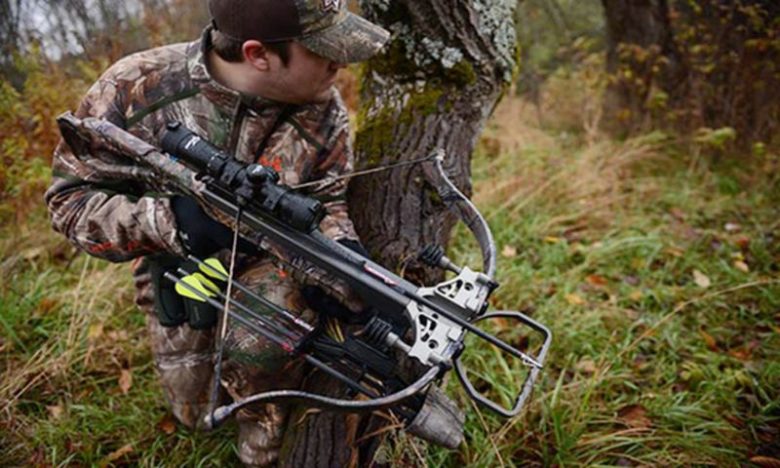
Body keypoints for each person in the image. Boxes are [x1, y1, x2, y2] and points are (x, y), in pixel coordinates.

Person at [45, 0, 389, 465]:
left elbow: (327, 202)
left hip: (270, 269)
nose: (340, 62)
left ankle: (266, 452)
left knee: (262, 348)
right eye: (322, 49)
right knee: (196, 416)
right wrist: (173, 224)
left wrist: (343, 259)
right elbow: (70, 203)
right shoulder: (135, 88)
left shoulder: (323, 109)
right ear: (258, 54)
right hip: (181, 273)